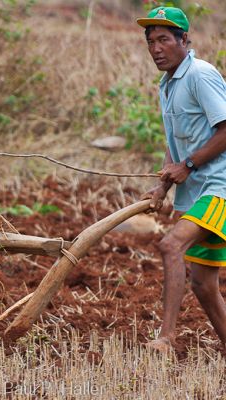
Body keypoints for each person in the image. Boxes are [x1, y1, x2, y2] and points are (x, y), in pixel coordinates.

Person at [138, 6, 226, 352]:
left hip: (220, 188)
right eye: (150, 42)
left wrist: (187, 165)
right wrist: (162, 186)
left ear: (184, 40)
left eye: (164, 40)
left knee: (170, 245)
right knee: (204, 284)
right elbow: (176, 143)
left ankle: (166, 337)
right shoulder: (168, 84)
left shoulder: (200, 75)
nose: (156, 48)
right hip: (195, 193)